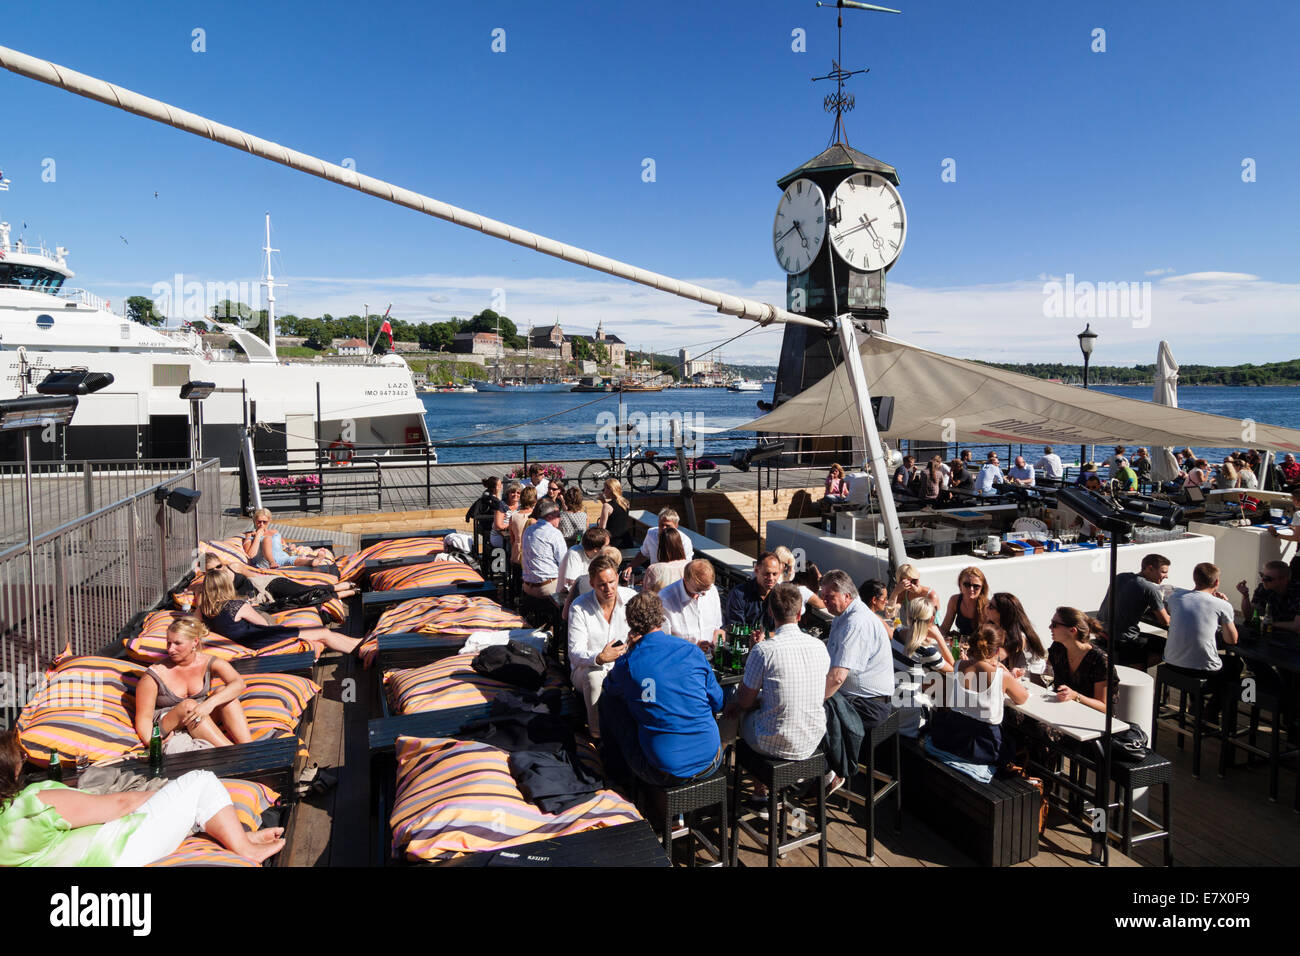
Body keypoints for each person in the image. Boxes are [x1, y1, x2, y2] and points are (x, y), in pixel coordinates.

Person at [0, 729, 284, 867]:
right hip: (113, 854)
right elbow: (120, 804)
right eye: (20, 757)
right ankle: (246, 848)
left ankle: (237, 836)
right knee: (200, 781)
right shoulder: (35, 802)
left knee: (181, 802)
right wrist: (167, 794)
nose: (24, 760)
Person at [598, 592, 724, 789]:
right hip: (710, 759)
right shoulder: (691, 651)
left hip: (662, 770)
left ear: (631, 624)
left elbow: (610, 687)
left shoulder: (629, 662)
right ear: (661, 617)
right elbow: (717, 701)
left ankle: (616, 777)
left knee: (608, 702)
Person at [724, 583, 830, 760]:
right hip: (812, 740)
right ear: (798, 614)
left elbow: (744, 700)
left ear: (771, 613)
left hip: (772, 742)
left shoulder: (764, 651)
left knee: (734, 709)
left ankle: (722, 764)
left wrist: (753, 653)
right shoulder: (820, 646)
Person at [133, 618, 252, 753]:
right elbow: (144, 718)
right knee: (188, 706)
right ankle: (236, 754)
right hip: (168, 723)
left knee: (225, 693)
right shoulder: (154, 675)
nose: (170, 649)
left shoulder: (207, 662)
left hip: (199, 717)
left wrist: (209, 704)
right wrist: (152, 741)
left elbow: (239, 683)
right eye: (168, 643)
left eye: (177, 643)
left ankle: (248, 747)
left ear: (195, 642)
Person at [926, 625, 1028, 771]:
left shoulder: (959, 665)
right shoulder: (1001, 676)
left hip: (954, 738)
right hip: (985, 746)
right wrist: (1004, 670)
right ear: (997, 650)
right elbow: (1022, 698)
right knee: (1016, 742)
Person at [199, 567, 361, 655]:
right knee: (323, 633)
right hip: (262, 640)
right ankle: (360, 649)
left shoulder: (203, 609)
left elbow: (194, 625)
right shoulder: (236, 606)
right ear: (227, 586)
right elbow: (264, 624)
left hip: (249, 641)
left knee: (322, 632)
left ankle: (361, 643)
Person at [567, 555, 636, 737]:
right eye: (602, 585)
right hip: (588, 670)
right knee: (595, 675)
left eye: (611, 582)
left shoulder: (631, 598)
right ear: (592, 584)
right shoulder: (579, 607)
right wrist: (598, 658)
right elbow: (574, 653)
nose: (608, 589)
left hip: (623, 666)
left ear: (618, 578)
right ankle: (598, 735)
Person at [1163, 562, 1242, 717]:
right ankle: (1212, 712)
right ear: (1217, 583)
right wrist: (1225, 608)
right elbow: (1232, 640)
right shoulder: (1221, 605)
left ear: (1195, 579)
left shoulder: (1176, 596)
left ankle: (1196, 704)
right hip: (1200, 670)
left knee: (1197, 655)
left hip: (1172, 664)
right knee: (1235, 666)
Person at [821, 572, 896, 730]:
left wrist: (812, 703)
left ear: (847, 596)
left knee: (806, 717)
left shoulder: (856, 623)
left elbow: (837, 678)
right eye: (823, 596)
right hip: (858, 698)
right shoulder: (843, 616)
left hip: (868, 705)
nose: (824, 601)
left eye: (829, 596)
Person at [891, 596, 954, 738]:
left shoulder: (897, 633)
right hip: (907, 710)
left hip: (890, 701)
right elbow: (953, 669)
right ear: (931, 620)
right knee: (943, 702)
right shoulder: (926, 650)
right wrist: (939, 637)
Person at [1097, 552, 1171, 667]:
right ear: (1150, 569)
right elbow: (1165, 621)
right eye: (1163, 572)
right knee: (1167, 646)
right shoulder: (1151, 589)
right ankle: (1135, 668)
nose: (1166, 576)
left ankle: (1131, 664)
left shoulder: (1120, 577)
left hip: (1102, 632)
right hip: (1124, 640)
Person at [1045, 607, 1119, 715]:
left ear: (1072, 630)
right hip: (1063, 711)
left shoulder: (1100, 660)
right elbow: (1045, 676)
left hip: (1091, 720)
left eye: (1054, 624)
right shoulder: (1058, 648)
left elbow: (1105, 708)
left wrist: (1076, 696)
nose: (1050, 627)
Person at [659, 559, 725, 652]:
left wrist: (718, 636)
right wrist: (693, 648)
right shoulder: (665, 598)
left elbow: (717, 627)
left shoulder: (712, 591)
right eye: (698, 590)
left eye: (706, 590)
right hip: (682, 660)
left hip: (710, 657)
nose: (704, 594)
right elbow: (663, 643)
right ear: (685, 579)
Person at [241, 509, 334, 569]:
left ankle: (313, 561)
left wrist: (290, 547)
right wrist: (258, 536)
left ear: (269, 521)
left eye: (264, 522)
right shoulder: (250, 535)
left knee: (295, 560)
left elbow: (282, 546)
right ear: (254, 521)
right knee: (267, 539)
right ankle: (272, 562)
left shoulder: (275, 532)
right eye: (259, 522)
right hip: (265, 562)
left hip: (282, 557)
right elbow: (250, 554)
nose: (261, 524)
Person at [987, 592, 1047, 675]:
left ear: (1003, 613)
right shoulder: (999, 630)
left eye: (991, 606)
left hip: (1033, 682)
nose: (986, 607)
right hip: (1018, 678)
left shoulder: (1019, 638)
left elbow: (992, 660)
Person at [520, 498, 568, 601]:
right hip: (546, 588)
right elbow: (564, 563)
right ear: (549, 516)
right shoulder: (554, 533)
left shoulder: (529, 530)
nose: (560, 518)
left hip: (527, 586)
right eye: (558, 515)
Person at [724, 552, 783, 633]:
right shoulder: (738, 594)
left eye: (775, 574)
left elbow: (785, 628)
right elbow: (736, 629)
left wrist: (767, 637)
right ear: (756, 571)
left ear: (779, 573)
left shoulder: (782, 594)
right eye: (767, 574)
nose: (771, 578)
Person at [1236, 561, 1300, 633]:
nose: (1263, 580)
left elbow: (1297, 627)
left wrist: (1270, 623)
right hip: (1270, 630)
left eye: (1268, 578)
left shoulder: (1297, 592)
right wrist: (1245, 596)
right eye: (1262, 575)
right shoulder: (1263, 588)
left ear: (1283, 580)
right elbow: (1249, 616)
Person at [631, 507, 694, 572]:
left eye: (668, 526)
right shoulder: (651, 534)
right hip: (655, 575)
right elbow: (644, 554)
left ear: (676, 526)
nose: (664, 528)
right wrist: (630, 566)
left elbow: (686, 565)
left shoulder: (685, 541)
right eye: (661, 525)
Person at [558, 526, 608, 601]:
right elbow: (573, 584)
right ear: (596, 550)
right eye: (607, 545)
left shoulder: (600, 554)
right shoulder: (574, 554)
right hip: (571, 597)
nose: (610, 547)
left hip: (590, 593)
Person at [773, 545, 826, 615]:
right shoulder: (802, 590)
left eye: (793, 567)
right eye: (787, 566)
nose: (791, 571)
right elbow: (822, 604)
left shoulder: (782, 585)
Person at [940, 566, 989, 637]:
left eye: (976, 586)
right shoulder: (955, 600)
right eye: (967, 584)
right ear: (960, 585)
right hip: (961, 644)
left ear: (982, 588)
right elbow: (944, 628)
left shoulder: (987, 606)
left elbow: (988, 638)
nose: (971, 589)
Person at [887, 563, 939, 627]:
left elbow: (931, 623)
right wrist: (895, 592)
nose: (912, 585)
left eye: (914, 581)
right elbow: (890, 614)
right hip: (914, 630)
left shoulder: (931, 595)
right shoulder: (905, 592)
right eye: (906, 583)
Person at [643, 526, 689, 593]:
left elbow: (645, 598)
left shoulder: (654, 569)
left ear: (661, 546)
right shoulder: (690, 566)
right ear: (680, 544)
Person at [596, 477, 634, 548]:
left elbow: (602, 529)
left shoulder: (606, 506)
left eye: (605, 489)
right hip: (626, 540)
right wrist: (604, 501)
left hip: (613, 543)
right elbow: (617, 515)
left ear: (610, 490)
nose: (603, 492)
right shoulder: (625, 502)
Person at [491, 481, 522, 552]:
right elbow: (498, 526)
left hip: (514, 535)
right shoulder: (502, 505)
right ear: (508, 493)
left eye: (518, 493)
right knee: (516, 546)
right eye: (513, 492)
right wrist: (513, 525)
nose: (515, 495)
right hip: (500, 536)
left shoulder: (521, 506)